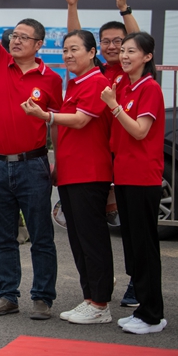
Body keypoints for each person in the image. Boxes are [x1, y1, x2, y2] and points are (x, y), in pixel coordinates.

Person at [0, 0, 64, 320]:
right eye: (13, 35)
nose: (15, 40)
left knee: (41, 236)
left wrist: (58, 164)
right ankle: (7, 295)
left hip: (33, 165)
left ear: (39, 44)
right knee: (3, 237)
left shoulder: (52, 80)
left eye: (24, 37)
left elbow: (57, 125)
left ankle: (42, 297)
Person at [21, 30, 114, 324]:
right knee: (78, 239)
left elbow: (81, 120)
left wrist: (46, 116)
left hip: (90, 171)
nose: (69, 55)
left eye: (75, 49)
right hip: (73, 171)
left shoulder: (97, 81)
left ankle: (100, 303)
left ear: (92, 52)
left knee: (92, 239)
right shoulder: (75, 83)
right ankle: (90, 299)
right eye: (65, 50)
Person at [65, 0, 142, 305]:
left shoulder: (128, 73)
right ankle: (98, 292)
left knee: (134, 230)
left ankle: (137, 285)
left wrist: (124, 8)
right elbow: (78, 42)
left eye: (119, 43)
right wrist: (72, 4)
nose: (114, 48)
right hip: (99, 159)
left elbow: (140, 43)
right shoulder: (96, 73)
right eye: (107, 42)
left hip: (128, 159)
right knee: (95, 231)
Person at [100, 32, 168, 334]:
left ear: (147, 57)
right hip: (125, 175)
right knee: (132, 245)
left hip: (143, 176)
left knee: (144, 246)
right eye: (123, 50)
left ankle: (153, 314)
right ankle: (143, 308)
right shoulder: (124, 86)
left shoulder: (149, 88)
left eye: (131, 51)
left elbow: (140, 131)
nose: (124, 55)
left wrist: (114, 107)